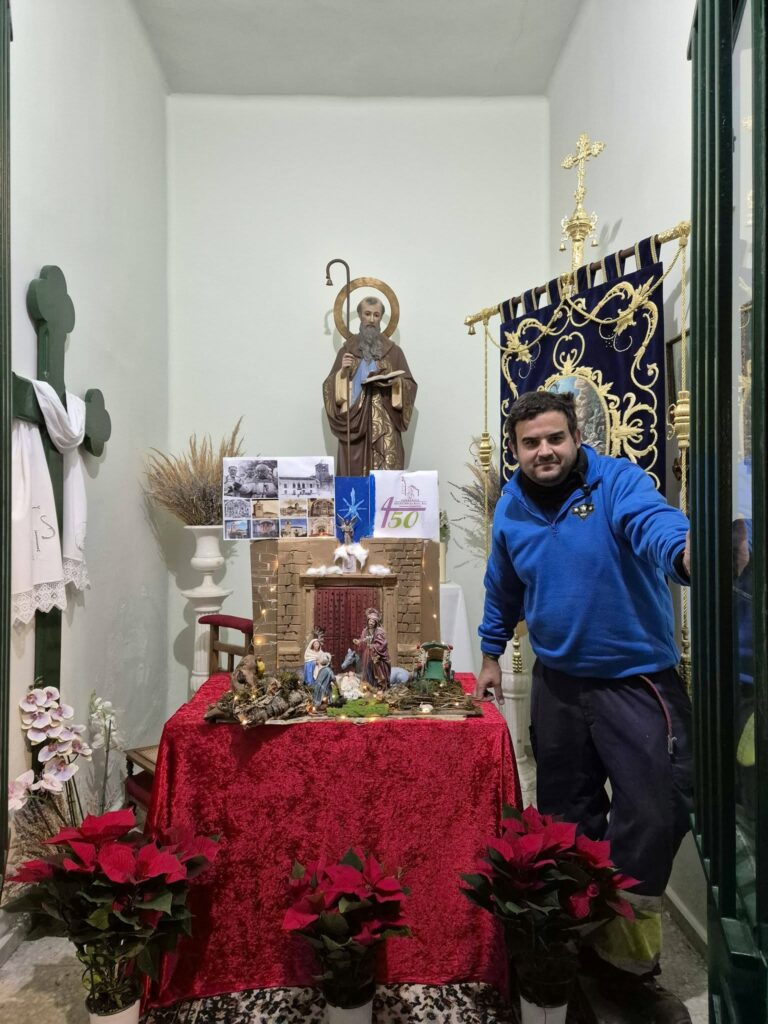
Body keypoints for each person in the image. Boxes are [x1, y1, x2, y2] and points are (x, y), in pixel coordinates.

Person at [475, 390, 692, 1024]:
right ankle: (571, 952)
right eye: (530, 442)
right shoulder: (510, 506)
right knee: (566, 823)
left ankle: (625, 965)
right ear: (514, 449)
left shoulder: (619, 482)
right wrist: (490, 654)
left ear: (576, 438)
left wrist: (686, 553)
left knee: (654, 815)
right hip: (559, 686)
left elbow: (655, 525)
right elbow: (502, 586)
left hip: (636, 681)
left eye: (555, 439)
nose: (544, 451)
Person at [322, 297, 417, 475]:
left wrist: (396, 383)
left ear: (381, 318)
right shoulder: (347, 350)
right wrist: (342, 373)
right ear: (360, 316)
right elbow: (328, 387)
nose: (371, 319)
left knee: (385, 479)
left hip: (385, 423)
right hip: (355, 423)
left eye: (376, 315)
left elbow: (410, 384)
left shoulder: (394, 352)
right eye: (367, 314)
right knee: (354, 476)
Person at [352, 607, 391, 689]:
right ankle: (368, 685)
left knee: (376, 666)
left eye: (373, 621)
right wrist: (359, 642)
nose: (371, 623)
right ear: (367, 621)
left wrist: (373, 646)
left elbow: (383, 644)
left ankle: (379, 685)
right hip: (367, 654)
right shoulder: (365, 631)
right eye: (370, 621)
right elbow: (363, 641)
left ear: (376, 622)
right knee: (367, 669)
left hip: (376, 654)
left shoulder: (379, 632)